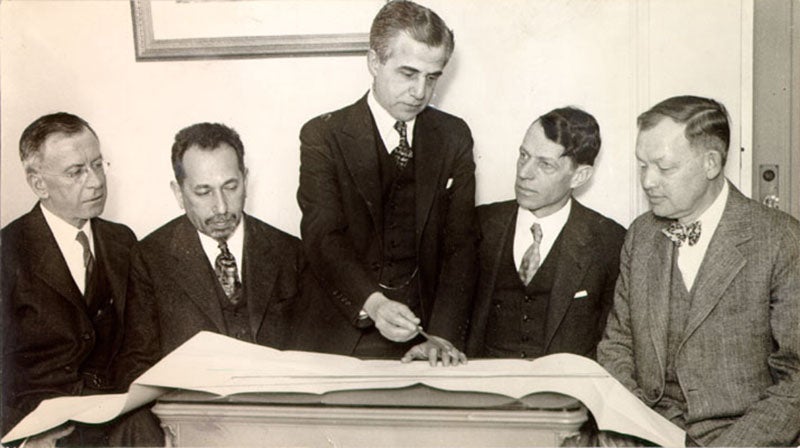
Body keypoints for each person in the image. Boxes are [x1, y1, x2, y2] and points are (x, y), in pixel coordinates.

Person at [597, 95, 800, 446]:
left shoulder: (780, 239)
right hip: (647, 430)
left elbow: (796, 378)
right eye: (642, 165)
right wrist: (638, 430)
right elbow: (616, 347)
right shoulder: (642, 235)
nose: (648, 181)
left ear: (710, 163)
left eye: (664, 167)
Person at [296, 0, 476, 365]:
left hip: (425, 338)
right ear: (374, 62)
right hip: (342, 335)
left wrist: (440, 336)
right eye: (408, 74)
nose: (420, 92)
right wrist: (374, 304)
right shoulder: (323, 135)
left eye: (433, 77)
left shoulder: (454, 136)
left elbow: (461, 246)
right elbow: (323, 237)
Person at [113, 122, 306, 445]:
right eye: (203, 192)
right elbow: (136, 364)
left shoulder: (291, 252)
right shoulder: (149, 257)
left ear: (246, 178)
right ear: (179, 192)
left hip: (278, 425)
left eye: (231, 186)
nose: (221, 207)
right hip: (190, 428)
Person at [1, 113, 137, 446]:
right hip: (40, 428)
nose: (95, 182)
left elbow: (138, 343)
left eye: (98, 165)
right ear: (38, 184)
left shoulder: (123, 242)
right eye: (76, 172)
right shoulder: (8, 252)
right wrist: (20, 440)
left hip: (118, 422)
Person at [466, 107, 625, 359]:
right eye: (523, 155)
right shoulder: (479, 224)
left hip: (564, 392)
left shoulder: (610, 241)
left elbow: (615, 343)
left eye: (545, 165)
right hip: (485, 388)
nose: (524, 173)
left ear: (580, 176)